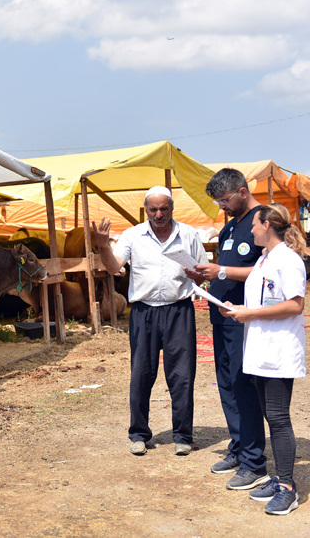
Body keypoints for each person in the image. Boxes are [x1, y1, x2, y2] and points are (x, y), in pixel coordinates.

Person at [92, 185, 207, 456]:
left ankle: (182, 435)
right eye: (153, 209)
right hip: (144, 312)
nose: (158, 214)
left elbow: (203, 275)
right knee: (142, 374)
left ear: (171, 208)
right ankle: (139, 434)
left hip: (179, 311)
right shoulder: (133, 235)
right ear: (146, 210)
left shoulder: (188, 234)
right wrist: (102, 245)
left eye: (163, 208)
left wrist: (196, 274)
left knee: (182, 375)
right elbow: (112, 267)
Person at [220, 203, 306, 516]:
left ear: (267, 225)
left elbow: (296, 305)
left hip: (279, 351)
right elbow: (260, 301)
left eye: (254, 225)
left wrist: (250, 313)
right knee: (270, 416)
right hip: (259, 351)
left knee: (279, 418)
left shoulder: (288, 260)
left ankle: (287, 487)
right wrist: (234, 307)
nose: (251, 230)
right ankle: (278, 479)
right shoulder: (263, 260)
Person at [185, 168, 268, 491]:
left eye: (225, 200)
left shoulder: (264, 220)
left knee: (244, 386)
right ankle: (238, 445)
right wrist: (206, 275)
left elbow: (264, 271)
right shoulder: (231, 225)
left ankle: (253, 462)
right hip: (222, 317)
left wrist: (222, 271)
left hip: (244, 318)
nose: (222, 207)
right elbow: (228, 271)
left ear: (243, 191)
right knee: (228, 386)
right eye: (218, 202)